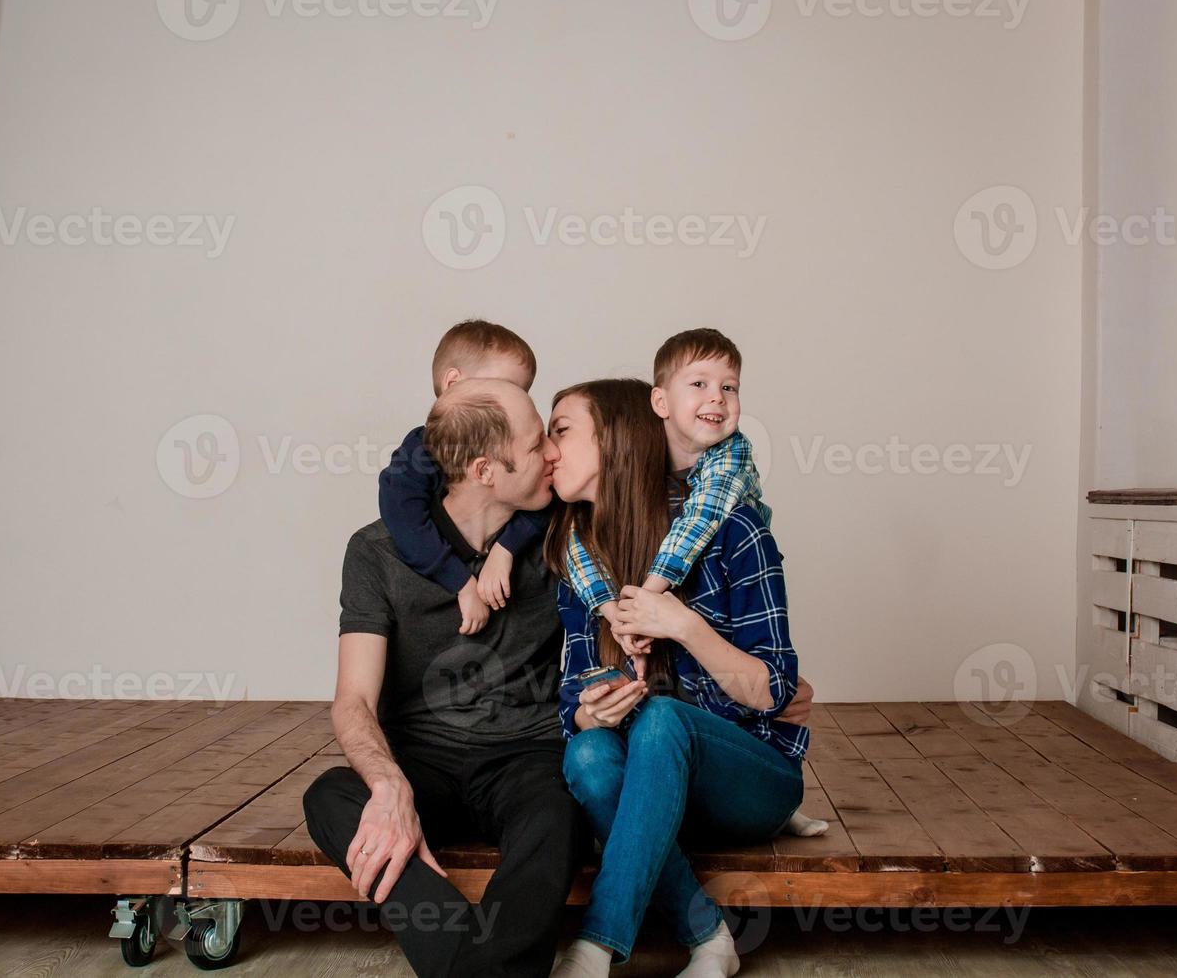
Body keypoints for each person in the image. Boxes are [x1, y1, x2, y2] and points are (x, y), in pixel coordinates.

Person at [304, 378, 587, 978]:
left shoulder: (562, 537)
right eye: (538, 445)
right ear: (486, 470)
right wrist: (388, 787)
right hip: (422, 761)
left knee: (559, 814)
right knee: (331, 794)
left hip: (523, 755)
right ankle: (484, 964)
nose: (554, 455)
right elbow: (353, 700)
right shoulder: (376, 552)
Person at [544, 378, 811, 978]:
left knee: (664, 719)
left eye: (560, 429)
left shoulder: (733, 530)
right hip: (651, 794)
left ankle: (596, 946)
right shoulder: (577, 555)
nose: (547, 448)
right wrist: (592, 710)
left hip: (753, 784)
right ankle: (711, 939)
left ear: (614, 442)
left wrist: (685, 626)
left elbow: (775, 692)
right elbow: (571, 704)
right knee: (587, 752)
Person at [378, 319, 548, 635]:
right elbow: (405, 520)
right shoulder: (418, 454)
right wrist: (462, 583)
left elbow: (542, 502)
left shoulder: (524, 460)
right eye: (504, 388)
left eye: (521, 392)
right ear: (453, 383)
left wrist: (505, 549)